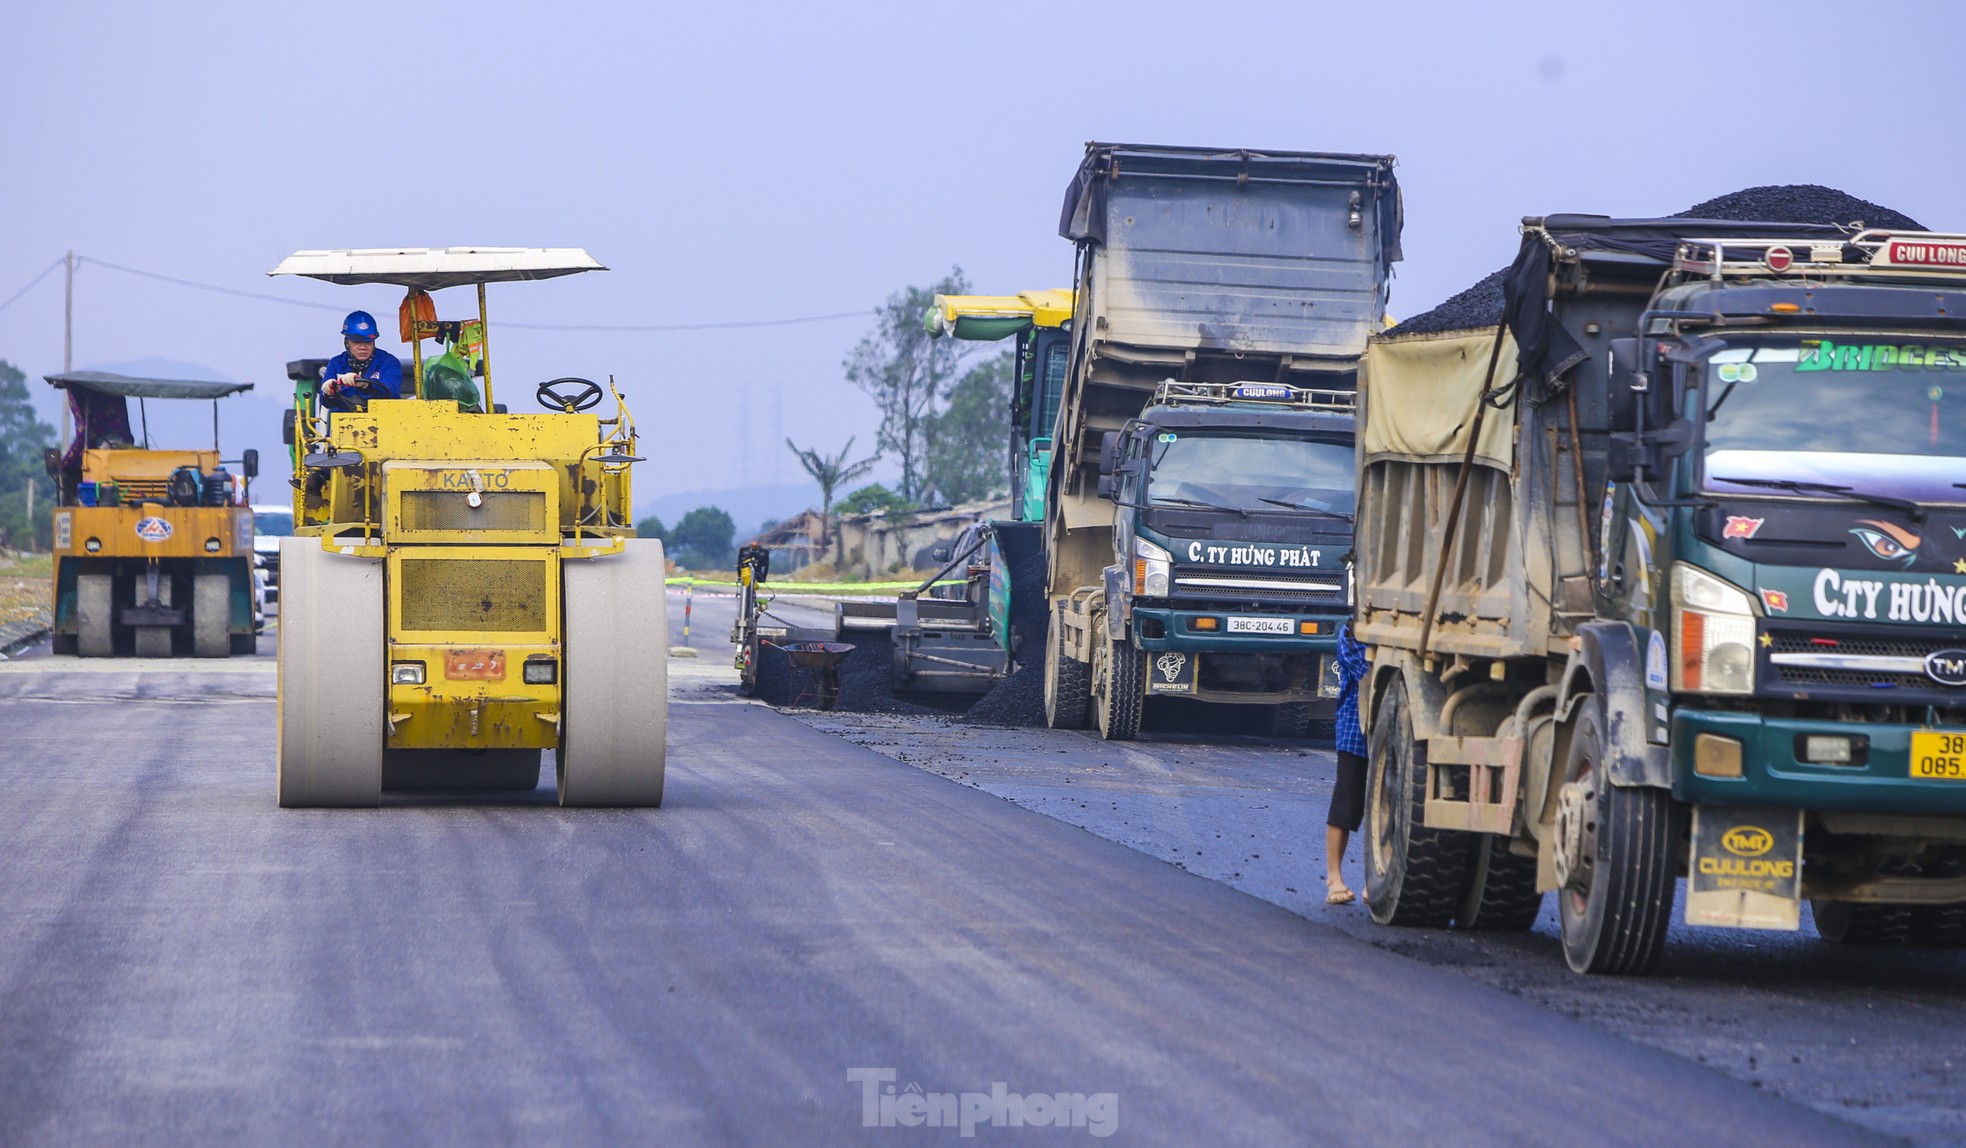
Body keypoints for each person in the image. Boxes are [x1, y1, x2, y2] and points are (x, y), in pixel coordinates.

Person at [1325, 619, 1370, 905]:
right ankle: (1333, 877)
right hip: (1356, 728)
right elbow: (1367, 673)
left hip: (1386, 730)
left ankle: (1375, 881)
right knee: (1346, 801)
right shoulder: (1350, 634)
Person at [319, 310, 403, 412]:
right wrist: (328, 391)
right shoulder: (336, 363)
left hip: (383, 421)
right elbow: (326, 403)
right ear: (347, 342)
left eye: (367, 342)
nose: (363, 347)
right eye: (356, 342)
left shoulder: (388, 362)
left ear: (373, 342)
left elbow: (390, 389)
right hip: (343, 424)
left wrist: (364, 384)